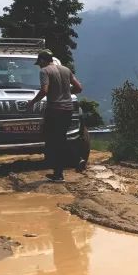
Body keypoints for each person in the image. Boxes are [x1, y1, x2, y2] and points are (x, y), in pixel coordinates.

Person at [30, 50, 83, 181]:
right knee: (61, 138)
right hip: (68, 110)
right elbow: (79, 88)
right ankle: (61, 171)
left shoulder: (45, 71)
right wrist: (67, 93)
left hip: (54, 110)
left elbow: (44, 90)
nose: (39, 66)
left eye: (39, 63)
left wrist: (32, 102)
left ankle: (73, 162)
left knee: (53, 140)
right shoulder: (66, 69)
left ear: (42, 60)